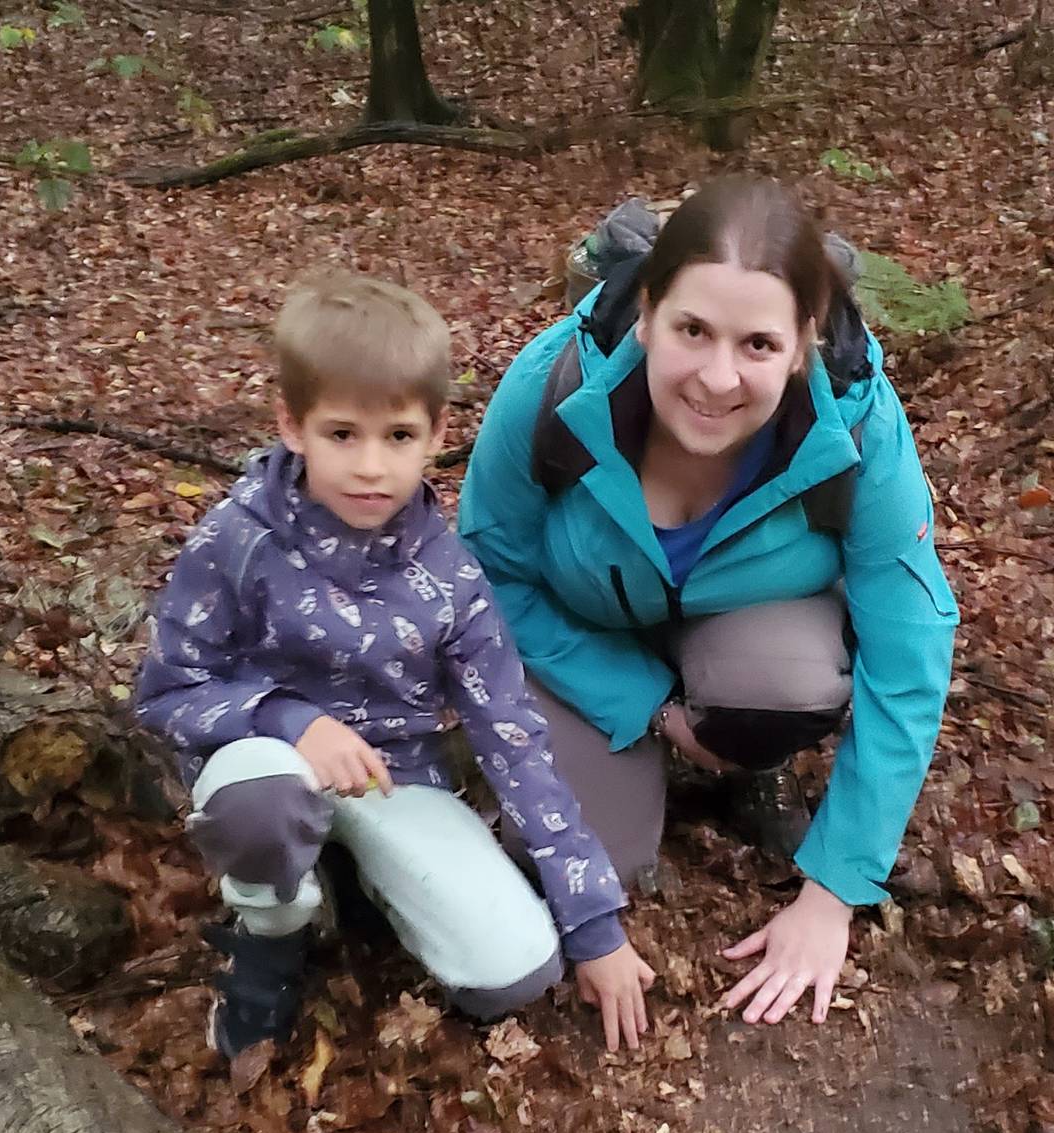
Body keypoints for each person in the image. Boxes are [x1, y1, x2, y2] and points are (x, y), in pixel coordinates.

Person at [459, 176, 958, 1027]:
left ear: (802, 343)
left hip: (752, 635)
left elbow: (911, 644)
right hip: (586, 635)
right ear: (648, 312)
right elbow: (487, 577)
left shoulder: (859, 427)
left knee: (791, 687)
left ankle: (746, 769)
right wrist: (646, 706)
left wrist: (834, 892)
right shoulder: (555, 388)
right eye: (693, 330)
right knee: (573, 862)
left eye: (758, 345)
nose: (717, 379)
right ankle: (638, 747)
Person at [135, 270, 658, 1059]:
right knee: (264, 803)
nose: (372, 467)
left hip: (393, 777)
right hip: (262, 762)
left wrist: (592, 923)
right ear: (292, 424)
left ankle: (356, 880)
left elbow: (514, 742)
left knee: (512, 972)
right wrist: (289, 719)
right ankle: (271, 928)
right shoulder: (236, 541)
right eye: (343, 434)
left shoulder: (450, 577)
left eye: (399, 437)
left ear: (438, 434)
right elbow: (168, 689)